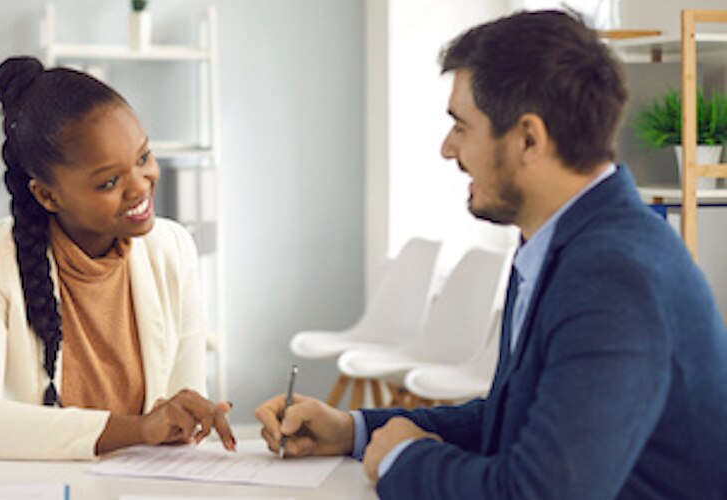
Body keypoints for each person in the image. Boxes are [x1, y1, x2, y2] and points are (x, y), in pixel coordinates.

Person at [256, 10, 727, 499]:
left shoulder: (615, 273)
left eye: (461, 126)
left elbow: (541, 492)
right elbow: (511, 417)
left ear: (528, 138)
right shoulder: (561, 244)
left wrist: (404, 458)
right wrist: (353, 430)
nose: (446, 148)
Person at [0, 56, 235, 460]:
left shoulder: (173, 250)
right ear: (48, 195)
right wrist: (138, 429)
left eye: (143, 158)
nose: (140, 187)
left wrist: (186, 419)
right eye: (109, 181)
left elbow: (181, 411)